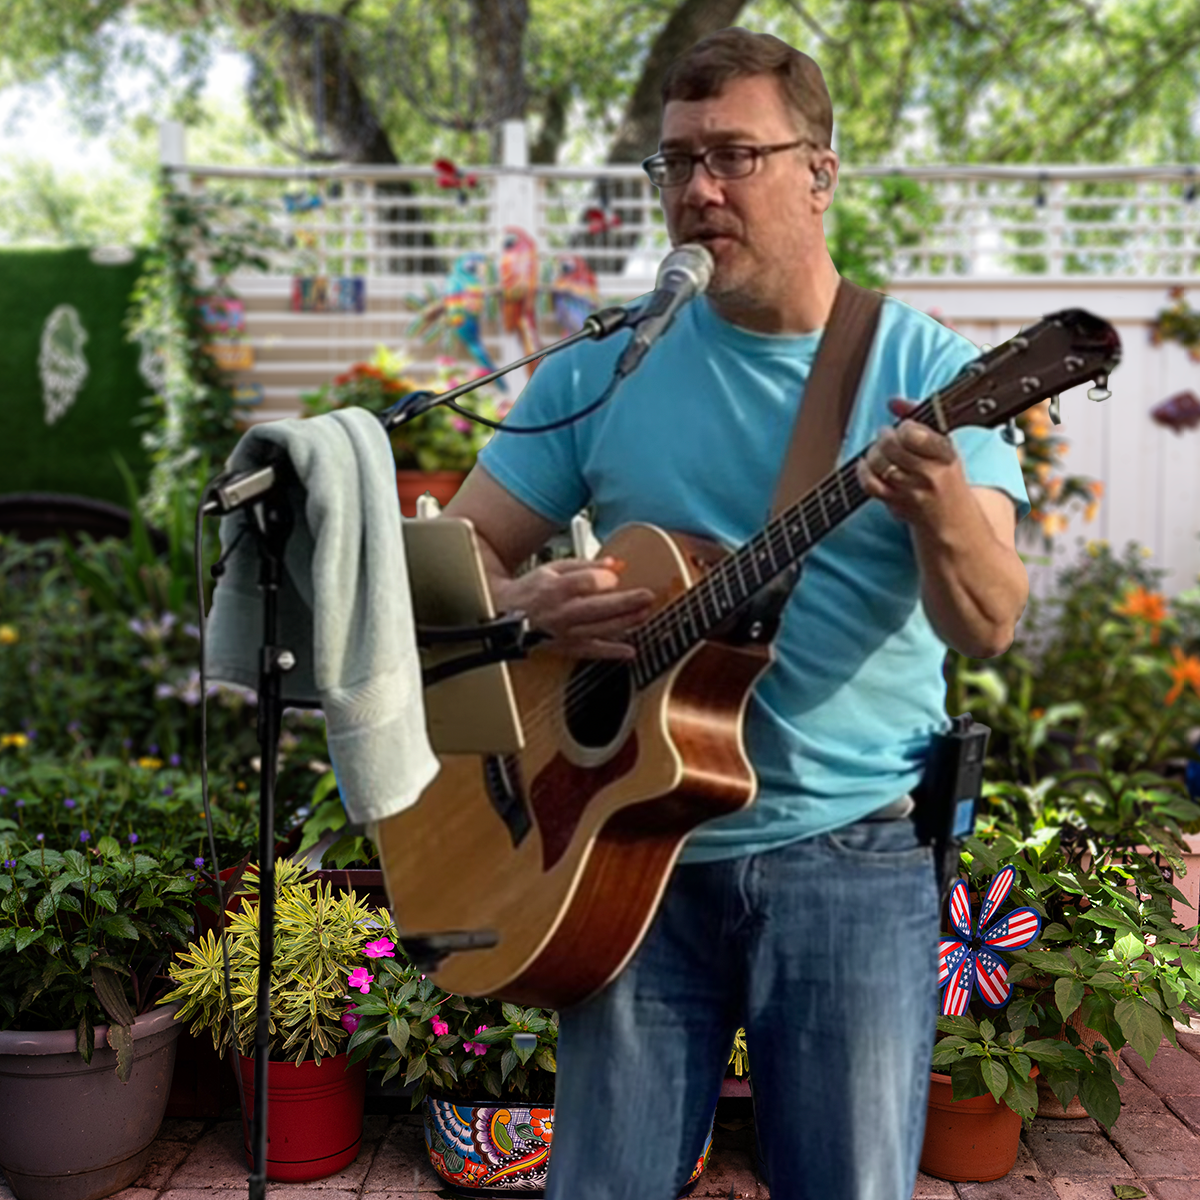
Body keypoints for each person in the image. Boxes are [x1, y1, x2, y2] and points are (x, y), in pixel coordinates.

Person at [442, 26, 1029, 1200]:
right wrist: (523, 605)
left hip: (851, 852)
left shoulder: (924, 367)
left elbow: (990, 624)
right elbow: (453, 567)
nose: (697, 190)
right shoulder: (597, 371)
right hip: (620, 857)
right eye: (674, 163)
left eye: (734, 156)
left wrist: (945, 501)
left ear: (820, 170)